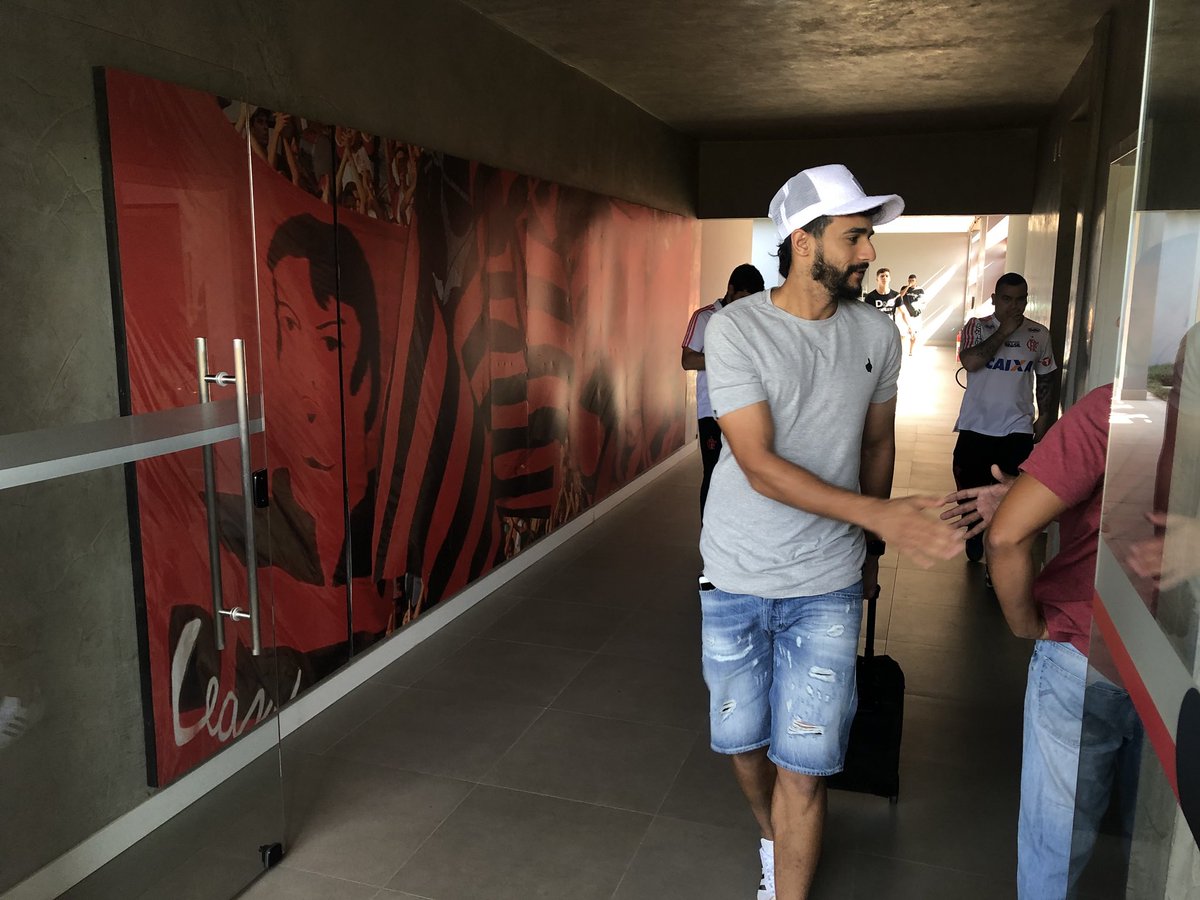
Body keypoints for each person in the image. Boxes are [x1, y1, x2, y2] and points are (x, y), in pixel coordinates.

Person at [699, 163, 965, 900]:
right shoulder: (736, 329)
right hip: (737, 571)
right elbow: (756, 464)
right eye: (855, 237)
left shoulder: (879, 333)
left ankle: (787, 877)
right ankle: (770, 834)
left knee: (805, 767)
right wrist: (881, 515)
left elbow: (877, 444)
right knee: (745, 747)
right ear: (802, 240)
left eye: (868, 238)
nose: (868, 253)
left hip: (827, 582)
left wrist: (869, 548)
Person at [941, 383, 1140, 899]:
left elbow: (1006, 537)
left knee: (1056, 844)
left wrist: (1027, 623)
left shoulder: (1117, 410)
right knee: (1162, 843)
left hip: (1084, 648)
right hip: (1178, 668)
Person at [953, 272, 1057, 564]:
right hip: (976, 425)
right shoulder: (978, 326)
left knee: (1011, 497)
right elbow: (971, 362)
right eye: (1007, 299)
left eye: (1020, 299)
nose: (1014, 305)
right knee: (969, 492)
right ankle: (974, 535)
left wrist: (1045, 415)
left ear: (1026, 300)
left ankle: (998, 559)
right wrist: (1004, 332)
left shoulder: (1039, 334)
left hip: (1017, 428)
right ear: (995, 300)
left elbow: (1047, 377)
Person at [681, 263, 767, 515]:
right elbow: (688, 360)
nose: (745, 306)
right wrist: (726, 359)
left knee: (744, 473)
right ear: (730, 289)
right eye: (741, 298)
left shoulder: (753, 319)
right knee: (713, 472)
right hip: (712, 411)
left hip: (748, 408)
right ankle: (708, 536)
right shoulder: (704, 317)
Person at [894, 274, 923, 356]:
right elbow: (900, 296)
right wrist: (908, 286)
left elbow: (922, 301)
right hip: (905, 313)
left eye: (913, 281)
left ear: (916, 281)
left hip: (914, 314)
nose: (911, 282)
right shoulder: (904, 288)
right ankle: (901, 351)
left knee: (914, 334)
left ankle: (911, 351)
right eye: (909, 280)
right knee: (903, 334)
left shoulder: (920, 290)